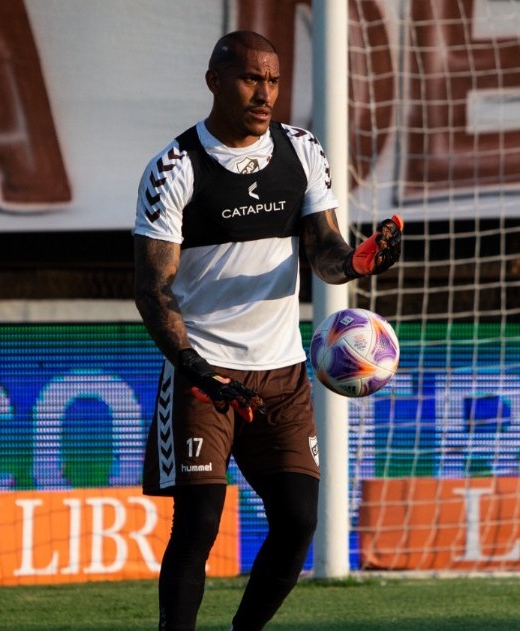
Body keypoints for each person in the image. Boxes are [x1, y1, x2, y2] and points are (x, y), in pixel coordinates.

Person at [133, 30, 402, 631]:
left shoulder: (302, 150)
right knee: (200, 520)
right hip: (205, 376)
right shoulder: (175, 168)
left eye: (274, 81)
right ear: (215, 80)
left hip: (282, 373)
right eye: (251, 78)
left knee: (299, 519)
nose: (265, 93)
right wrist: (195, 367)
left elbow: (325, 250)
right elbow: (153, 288)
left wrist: (358, 262)